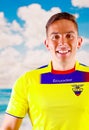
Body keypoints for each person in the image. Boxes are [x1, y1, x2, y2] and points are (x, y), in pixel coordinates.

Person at [1, 12, 89, 130]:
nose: (62, 43)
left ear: (79, 42)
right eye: (55, 37)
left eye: (69, 36)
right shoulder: (27, 81)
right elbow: (8, 128)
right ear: (47, 44)